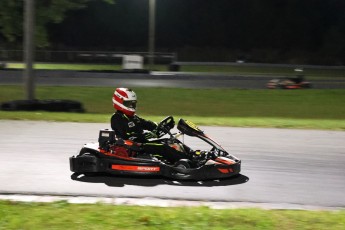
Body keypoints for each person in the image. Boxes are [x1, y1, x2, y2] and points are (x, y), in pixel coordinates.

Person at [111, 87, 206, 164]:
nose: (132, 106)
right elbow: (129, 137)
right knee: (163, 147)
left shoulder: (133, 117)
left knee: (171, 141)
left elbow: (148, 124)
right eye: (129, 104)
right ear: (119, 102)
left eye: (133, 104)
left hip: (142, 144)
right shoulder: (117, 118)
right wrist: (153, 134)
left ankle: (193, 154)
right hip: (132, 147)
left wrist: (161, 126)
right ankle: (191, 162)